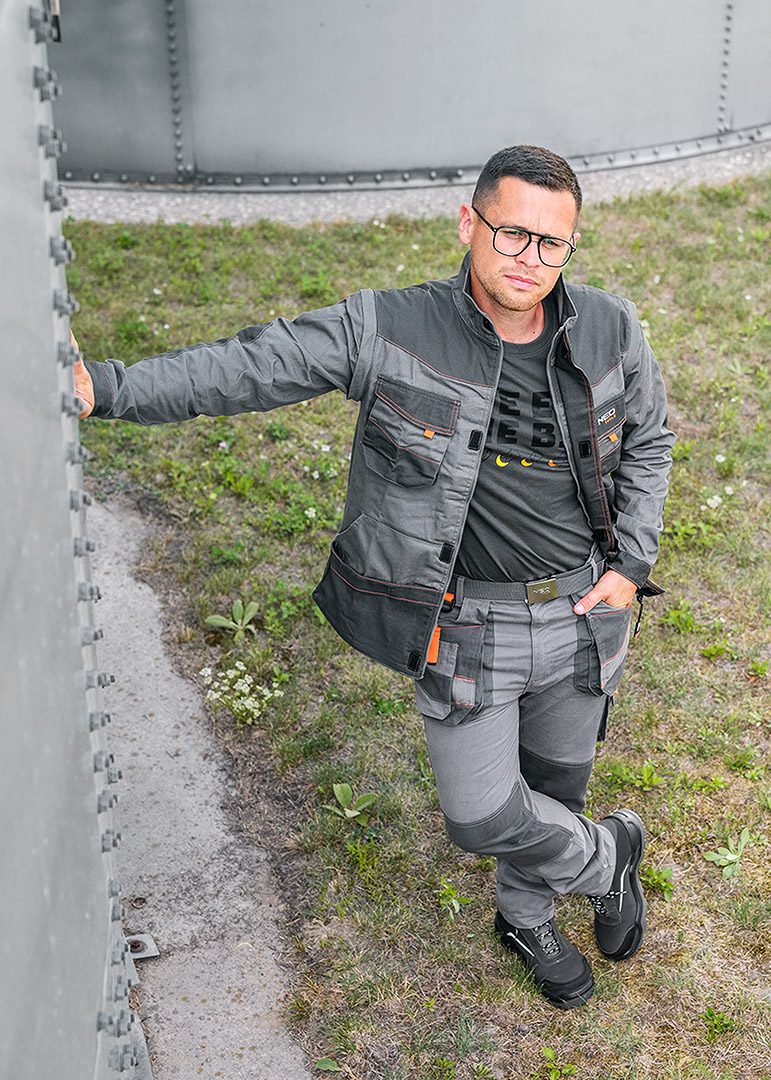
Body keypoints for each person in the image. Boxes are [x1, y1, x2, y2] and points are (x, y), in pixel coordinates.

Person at [73, 145, 674, 1010]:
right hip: (466, 624)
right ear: (468, 223)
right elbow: (250, 366)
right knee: (481, 815)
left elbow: (648, 439)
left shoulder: (611, 327)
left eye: (551, 244)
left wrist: (629, 563)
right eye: (510, 233)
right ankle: (607, 857)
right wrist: (107, 387)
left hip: (583, 614)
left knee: (552, 789)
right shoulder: (389, 327)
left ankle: (526, 916)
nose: (528, 259)